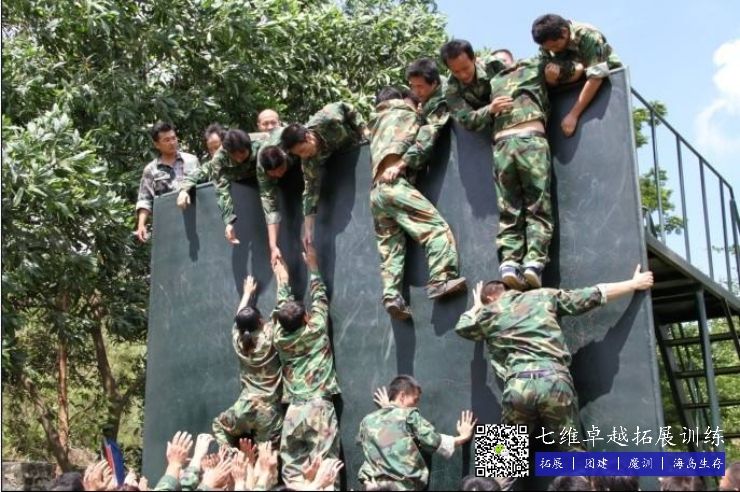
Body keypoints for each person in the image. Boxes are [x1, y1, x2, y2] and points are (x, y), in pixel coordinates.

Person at [454, 265, 654, 449]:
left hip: (518, 385)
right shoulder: (543, 296)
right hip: (555, 381)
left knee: (502, 456)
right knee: (573, 452)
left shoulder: (488, 314)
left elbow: (462, 327)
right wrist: (634, 284)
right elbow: (592, 295)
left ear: (490, 298)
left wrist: (477, 307)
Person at [369, 87, 467, 319]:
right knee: (435, 230)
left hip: (376, 194)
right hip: (395, 186)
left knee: (391, 249)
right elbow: (426, 138)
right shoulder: (406, 113)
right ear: (402, 100)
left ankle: (392, 296)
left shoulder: (375, 125)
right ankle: (441, 279)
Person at [487, 51, 560, 290]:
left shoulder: (492, 80)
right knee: (537, 207)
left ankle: (510, 263)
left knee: (510, 209)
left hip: (504, 146)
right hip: (529, 140)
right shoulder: (532, 66)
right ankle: (533, 263)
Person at [272, 244, 341, 486]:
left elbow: (283, 311)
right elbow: (320, 297)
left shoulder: (279, 338)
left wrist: (283, 281)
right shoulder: (316, 329)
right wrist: (313, 266)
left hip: (293, 411)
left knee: (292, 473)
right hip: (318, 407)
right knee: (326, 469)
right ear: (305, 318)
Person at [356, 375, 476, 491]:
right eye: (415, 399)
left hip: (372, 487)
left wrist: (388, 409)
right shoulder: (409, 415)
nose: (416, 405)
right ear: (402, 396)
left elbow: (370, 442)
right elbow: (434, 442)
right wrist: (463, 437)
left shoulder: (367, 421)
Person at [277, 102, 367, 254]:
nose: (303, 156)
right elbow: (310, 191)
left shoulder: (326, 119)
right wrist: (308, 229)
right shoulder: (308, 161)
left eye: (302, 150)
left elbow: (346, 107)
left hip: (357, 145)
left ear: (308, 137)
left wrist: (364, 130)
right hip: (344, 161)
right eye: (298, 154)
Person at [211, 275, 285, 446]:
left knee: (220, 425)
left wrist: (246, 294)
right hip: (268, 412)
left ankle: (231, 457)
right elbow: (281, 310)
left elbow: (238, 319)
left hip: (244, 408)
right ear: (260, 321)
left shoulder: (238, 341)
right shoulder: (269, 337)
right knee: (267, 453)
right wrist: (281, 279)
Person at [531, 13, 622, 137]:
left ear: (564, 32)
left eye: (555, 46)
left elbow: (596, 76)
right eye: (549, 48)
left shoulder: (588, 35)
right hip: (572, 83)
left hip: (606, 82)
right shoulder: (547, 45)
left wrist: (573, 115)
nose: (553, 50)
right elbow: (546, 80)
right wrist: (551, 80)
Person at [177, 129, 262, 244]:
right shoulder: (219, 159)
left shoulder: (261, 146)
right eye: (234, 155)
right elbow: (221, 189)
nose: (238, 159)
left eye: (241, 153)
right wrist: (229, 222)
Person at [135, 121, 200, 242]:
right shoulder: (151, 170)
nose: (172, 142)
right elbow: (145, 200)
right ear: (157, 144)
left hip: (195, 221)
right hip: (168, 226)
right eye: (167, 140)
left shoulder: (192, 161)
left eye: (174, 138)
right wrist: (141, 224)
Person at [440, 39, 508, 133]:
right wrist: (490, 109)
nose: (463, 75)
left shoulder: (493, 65)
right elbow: (466, 120)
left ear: (474, 59)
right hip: (482, 129)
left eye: (465, 68)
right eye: (456, 72)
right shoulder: (450, 89)